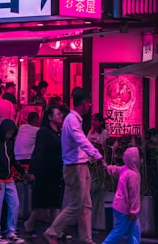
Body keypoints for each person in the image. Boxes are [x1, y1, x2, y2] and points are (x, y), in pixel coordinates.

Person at [44, 88, 106, 244]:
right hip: (74, 167)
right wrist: (97, 156)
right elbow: (82, 141)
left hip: (81, 165)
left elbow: (81, 143)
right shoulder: (72, 120)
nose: (90, 105)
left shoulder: (74, 120)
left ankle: (86, 238)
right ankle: (52, 231)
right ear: (84, 103)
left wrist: (91, 158)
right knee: (77, 205)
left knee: (85, 205)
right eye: (89, 102)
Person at [26, 106, 66, 235]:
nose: (61, 116)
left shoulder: (60, 133)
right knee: (42, 203)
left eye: (61, 114)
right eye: (58, 114)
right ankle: (30, 223)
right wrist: (33, 170)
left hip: (57, 171)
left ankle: (56, 230)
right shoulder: (43, 132)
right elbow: (38, 151)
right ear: (49, 117)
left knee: (55, 203)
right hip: (45, 171)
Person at [0, 119, 28, 244]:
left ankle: (11, 232)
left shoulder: (9, 143)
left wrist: (22, 171)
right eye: (9, 132)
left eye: (12, 133)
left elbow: (12, 160)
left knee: (14, 204)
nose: (10, 135)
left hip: (8, 178)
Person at [102, 146, 142, 244]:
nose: (142, 160)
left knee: (134, 229)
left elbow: (114, 169)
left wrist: (106, 166)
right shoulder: (133, 175)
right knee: (120, 231)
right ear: (135, 159)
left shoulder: (125, 169)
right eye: (140, 158)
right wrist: (134, 210)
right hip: (126, 209)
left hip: (119, 206)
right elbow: (134, 194)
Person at [14, 110, 40, 221]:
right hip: (27, 162)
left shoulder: (21, 127)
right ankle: (27, 214)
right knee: (28, 190)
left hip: (16, 162)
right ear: (36, 121)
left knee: (19, 190)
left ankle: (19, 214)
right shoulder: (37, 131)